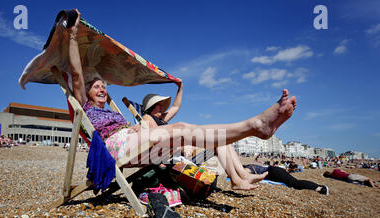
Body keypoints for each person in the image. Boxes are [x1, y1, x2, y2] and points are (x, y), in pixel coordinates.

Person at [68, 10, 297, 190]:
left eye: (103, 86)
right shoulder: (84, 106)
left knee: (183, 127)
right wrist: (72, 35)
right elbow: (77, 75)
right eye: (96, 86)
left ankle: (254, 130)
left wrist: (134, 127)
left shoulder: (114, 112)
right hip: (115, 149)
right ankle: (255, 126)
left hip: (136, 143)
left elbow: (148, 120)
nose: (101, 89)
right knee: (180, 128)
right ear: (86, 92)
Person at [140, 87, 268, 190]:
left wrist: (180, 87)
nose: (162, 107)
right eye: (158, 105)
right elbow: (152, 141)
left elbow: (176, 107)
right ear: (150, 108)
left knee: (223, 141)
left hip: (183, 156)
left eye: (162, 105)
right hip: (175, 161)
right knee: (220, 142)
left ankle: (243, 175)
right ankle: (236, 180)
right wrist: (183, 146)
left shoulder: (161, 121)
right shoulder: (148, 119)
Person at [245, 163, 329, 195]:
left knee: (295, 183)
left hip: (273, 172)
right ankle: (318, 187)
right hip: (275, 170)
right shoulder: (251, 165)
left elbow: (246, 173)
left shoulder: (248, 167)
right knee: (295, 182)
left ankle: (320, 188)